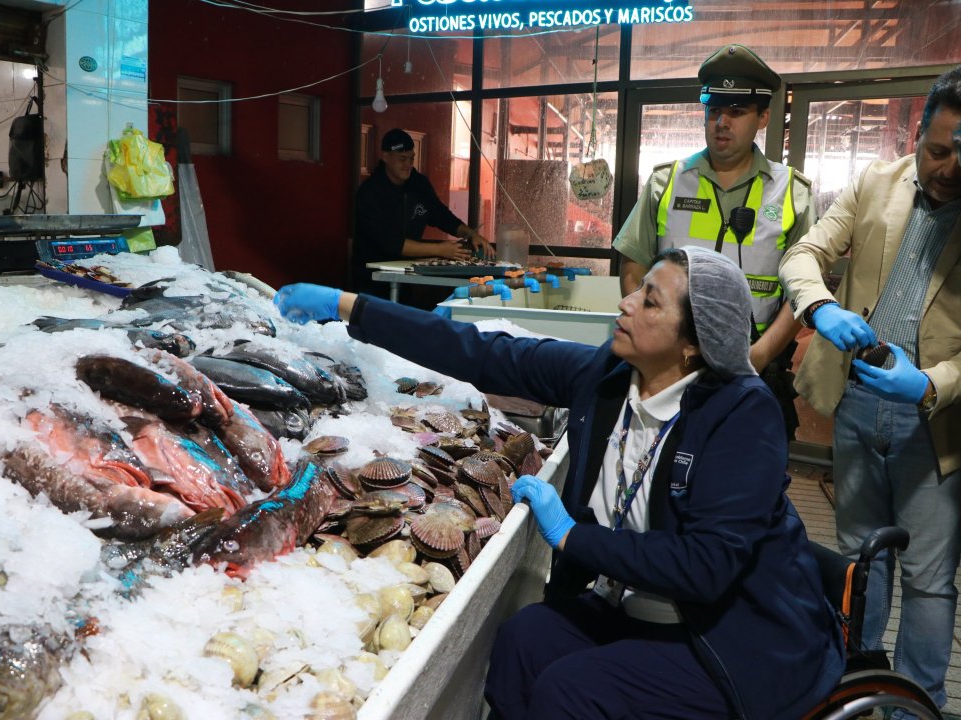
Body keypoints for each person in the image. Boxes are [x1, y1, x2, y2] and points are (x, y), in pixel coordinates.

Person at [274, 246, 844, 719]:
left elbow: (705, 566)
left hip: (731, 640)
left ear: (695, 343)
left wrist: (572, 537)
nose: (625, 302)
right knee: (525, 640)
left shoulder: (742, 416)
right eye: (636, 288)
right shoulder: (609, 378)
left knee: (569, 691)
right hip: (639, 611)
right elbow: (480, 352)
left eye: (649, 300)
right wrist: (347, 305)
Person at [778, 66, 961, 718]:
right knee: (861, 560)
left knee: (931, 583)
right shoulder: (874, 184)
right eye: (939, 149)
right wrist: (820, 307)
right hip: (858, 409)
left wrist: (932, 383)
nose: (950, 166)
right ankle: (857, 688)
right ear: (917, 134)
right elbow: (803, 254)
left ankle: (917, 708)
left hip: (936, 427)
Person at [613, 44, 815, 439]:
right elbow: (634, 262)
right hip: (670, 365)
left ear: (763, 116)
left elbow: (801, 292)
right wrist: (649, 332)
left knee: (743, 478)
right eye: (714, 111)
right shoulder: (666, 182)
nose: (722, 122)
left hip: (754, 363)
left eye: (736, 112)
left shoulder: (791, 192)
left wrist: (761, 354)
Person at [352, 128, 494, 299]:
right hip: (371, 277)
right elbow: (390, 243)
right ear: (385, 157)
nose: (408, 165)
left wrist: (470, 233)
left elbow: (441, 215)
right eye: (402, 159)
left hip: (405, 275)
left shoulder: (418, 184)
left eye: (411, 159)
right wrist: (440, 250)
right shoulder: (370, 192)